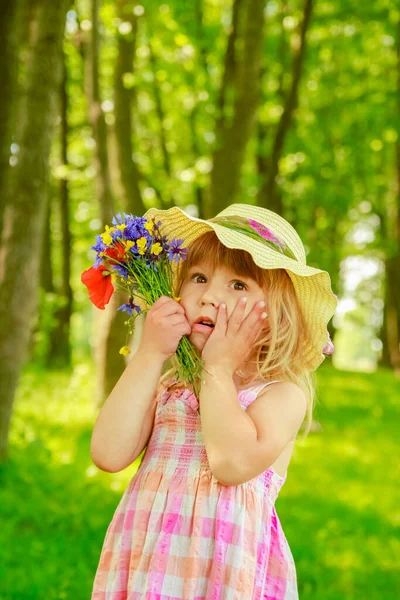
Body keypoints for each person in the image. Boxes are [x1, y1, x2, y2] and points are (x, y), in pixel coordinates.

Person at [90, 203, 337, 599]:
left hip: (221, 571)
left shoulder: (280, 393)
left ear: (275, 315)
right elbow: (108, 453)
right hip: (148, 561)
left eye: (239, 285)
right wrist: (150, 355)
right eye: (199, 277)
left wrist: (218, 370)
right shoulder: (170, 386)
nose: (209, 297)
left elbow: (232, 464)